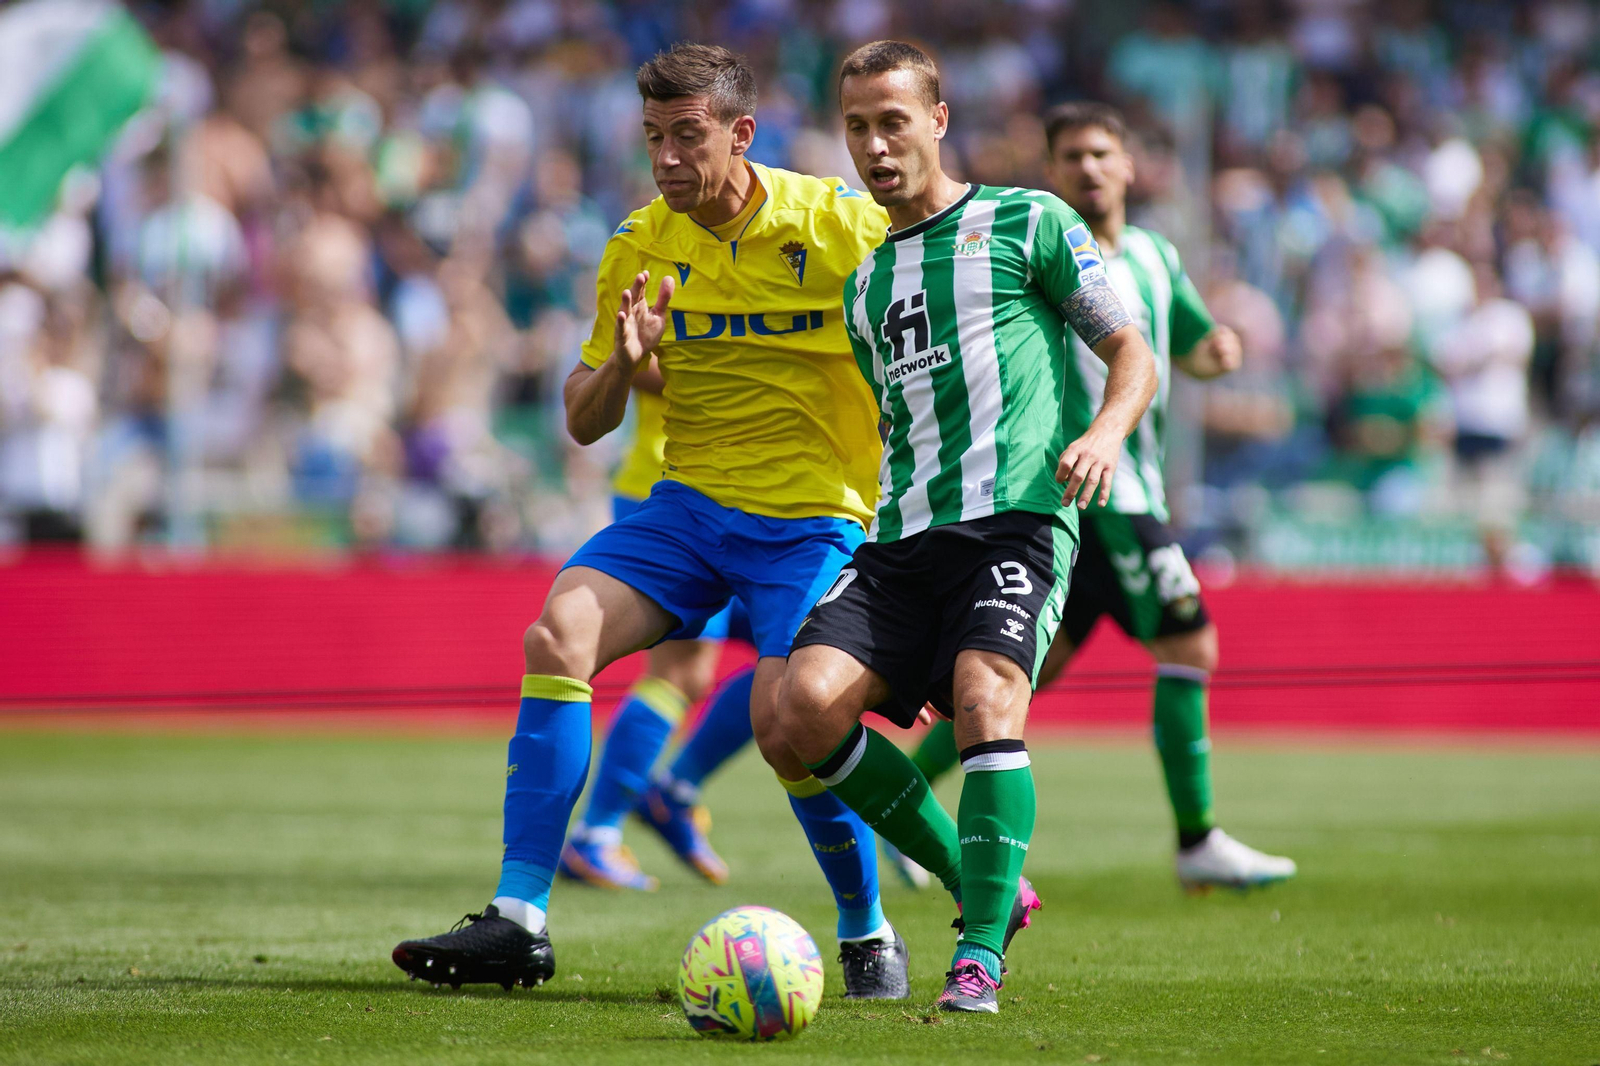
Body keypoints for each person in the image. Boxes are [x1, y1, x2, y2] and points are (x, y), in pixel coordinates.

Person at [392, 43, 915, 999]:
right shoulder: (639, 244)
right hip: (688, 509)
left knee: (786, 723)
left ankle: (866, 929)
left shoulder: (843, 229)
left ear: (741, 134)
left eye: (687, 136)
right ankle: (518, 920)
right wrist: (624, 365)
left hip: (813, 520)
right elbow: (584, 419)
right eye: (651, 138)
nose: (667, 158)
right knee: (558, 633)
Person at [776, 42, 1160, 1014]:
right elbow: (900, 426)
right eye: (856, 127)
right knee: (800, 711)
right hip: (903, 539)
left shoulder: (1029, 220)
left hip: (1016, 522)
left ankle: (978, 956)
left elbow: (1131, 352)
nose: (874, 145)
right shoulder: (865, 284)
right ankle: (978, 877)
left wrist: (1104, 433)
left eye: (892, 122)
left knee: (986, 698)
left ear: (938, 121)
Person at [902, 102, 1297, 894]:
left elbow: (1186, 343)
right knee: (1190, 646)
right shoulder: (1041, 249)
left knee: (1027, 674)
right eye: (1073, 156)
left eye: (1101, 154)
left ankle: (907, 809)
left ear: (1127, 165)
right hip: (1099, 495)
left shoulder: (1155, 255)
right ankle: (1197, 840)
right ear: (1051, 171)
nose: (1088, 168)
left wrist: (1217, 351)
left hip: (1121, 487)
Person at [557, 372, 754, 890]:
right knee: (680, 672)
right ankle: (596, 835)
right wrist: (746, 363)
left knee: (802, 653)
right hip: (676, 491)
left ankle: (673, 792)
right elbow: (628, 361)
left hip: (752, 493)